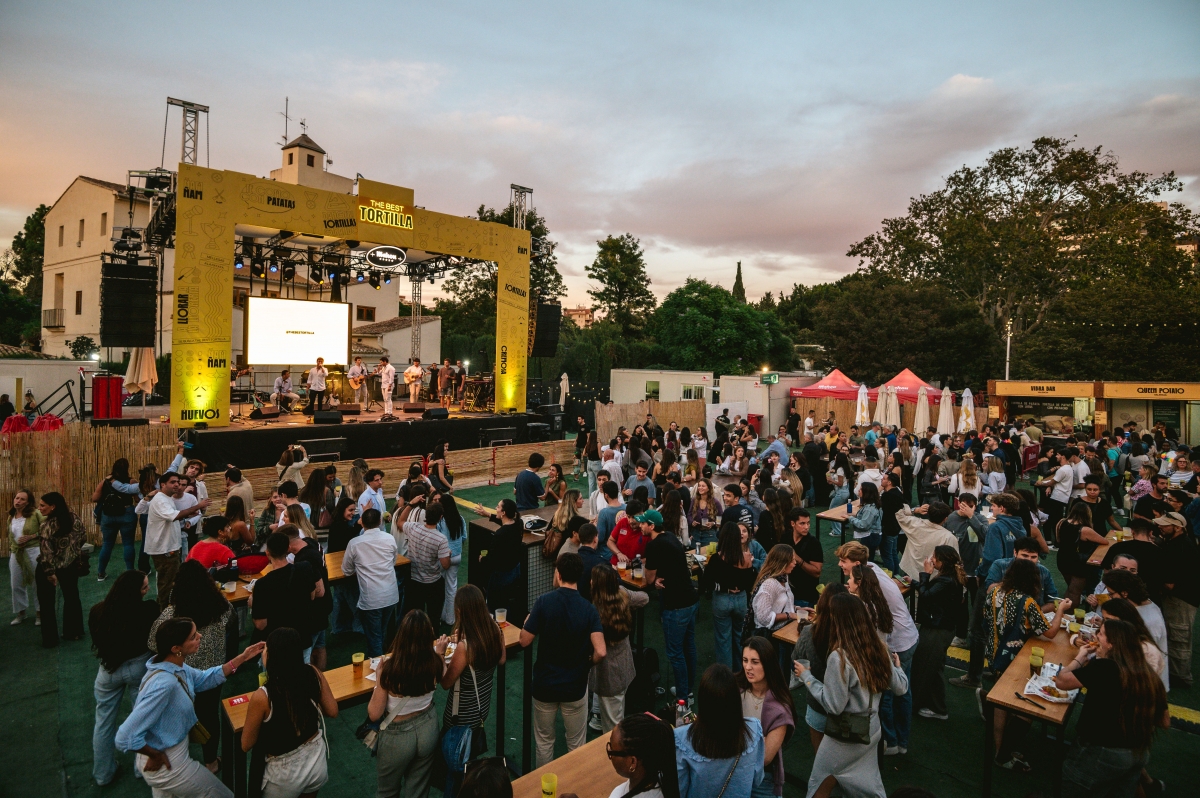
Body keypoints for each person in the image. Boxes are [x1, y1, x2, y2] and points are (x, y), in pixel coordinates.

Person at [115, 618, 264, 798]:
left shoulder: (173, 666)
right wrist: (154, 755)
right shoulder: (164, 685)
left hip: (167, 755)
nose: (200, 636)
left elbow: (205, 678)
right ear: (176, 648)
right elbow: (125, 736)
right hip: (168, 761)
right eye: (193, 637)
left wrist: (243, 657)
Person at [795, 592, 908, 798]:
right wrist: (898, 668)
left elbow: (834, 705)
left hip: (845, 737)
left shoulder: (839, 658)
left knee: (819, 784)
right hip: (872, 730)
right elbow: (901, 688)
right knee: (869, 787)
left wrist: (807, 677)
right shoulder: (879, 647)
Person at [1053, 619, 1169, 798]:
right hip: (1138, 752)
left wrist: (1080, 658)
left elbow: (1061, 680)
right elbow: (1164, 722)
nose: (1096, 636)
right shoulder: (1148, 673)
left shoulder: (1105, 668)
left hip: (1101, 752)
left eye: (1100, 634)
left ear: (1112, 643)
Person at [983, 558, 1072, 771]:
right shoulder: (1027, 601)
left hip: (995, 654)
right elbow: (1050, 632)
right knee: (1025, 707)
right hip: (1015, 660)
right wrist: (1060, 609)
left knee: (1001, 704)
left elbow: (987, 619)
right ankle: (1005, 752)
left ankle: (998, 748)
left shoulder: (994, 593)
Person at [519, 552, 606, 767]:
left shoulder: (543, 602)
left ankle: (543, 784)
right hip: (575, 686)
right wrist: (588, 662)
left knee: (544, 742)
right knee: (576, 745)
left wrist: (528, 621)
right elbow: (601, 651)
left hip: (545, 685)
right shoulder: (589, 609)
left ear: (558, 574)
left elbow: (524, 640)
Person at [146, 559, 233, 774]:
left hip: (181, 675)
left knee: (177, 716)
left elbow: (153, 644)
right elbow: (232, 635)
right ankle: (211, 762)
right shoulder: (223, 608)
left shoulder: (171, 616)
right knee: (210, 716)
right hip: (213, 672)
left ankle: (178, 759)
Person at [240, 627, 337, 798]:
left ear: (272, 657)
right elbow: (332, 710)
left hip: (284, 775)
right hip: (315, 759)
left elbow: (246, 744)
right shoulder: (313, 672)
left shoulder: (262, 696)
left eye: (266, 649)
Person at [90, 570, 160, 786]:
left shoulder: (98, 611)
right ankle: (141, 768)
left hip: (109, 669)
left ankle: (103, 774)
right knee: (142, 717)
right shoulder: (149, 610)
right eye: (144, 587)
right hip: (139, 667)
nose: (148, 589)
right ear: (134, 591)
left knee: (103, 721)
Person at [368, 610, 447, 797]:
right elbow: (443, 675)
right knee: (418, 791)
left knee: (388, 792)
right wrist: (440, 652)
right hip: (428, 728)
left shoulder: (390, 669)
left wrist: (379, 680)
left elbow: (374, 713)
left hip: (397, 736)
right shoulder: (435, 662)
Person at [675, 664, 764, 798]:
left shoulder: (681, 738)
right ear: (735, 699)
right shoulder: (754, 729)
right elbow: (756, 779)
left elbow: (679, 790)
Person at [645, 508, 701, 703]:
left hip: (675, 605)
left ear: (651, 526)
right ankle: (688, 690)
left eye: (643, 523)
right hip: (691, 599)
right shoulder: (670, 537)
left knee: (675, 653)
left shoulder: (653, 546)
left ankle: (683, 697)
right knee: (688, 647)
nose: (640, 526)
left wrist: (654, 580)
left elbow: (648, 578)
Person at [590, 565, 650, 732]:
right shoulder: (622, 594)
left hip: (607, 675)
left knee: (613, 727)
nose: (590, 581)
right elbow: (644, 598)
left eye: (593, 579)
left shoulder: (595, 610)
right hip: (624, 666)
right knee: (617, 711)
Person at [789, 583, 848, 752]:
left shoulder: (809, 632)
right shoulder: (853, 636)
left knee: (820, 758)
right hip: (846, 709)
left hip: (817, 707)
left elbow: (796, 660)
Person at [911, 546, 967, 721]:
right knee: (934, 667)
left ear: (942, 561)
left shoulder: (946, 580)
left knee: (924, 668)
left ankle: (933, 708)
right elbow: (931, 591)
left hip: (937, 630)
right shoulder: (950, 578)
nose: (931, 559)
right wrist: (913, 582)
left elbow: (926, 595)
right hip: (942, 628)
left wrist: (925, 574)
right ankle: (936, 705)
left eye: (934, 557)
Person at [738, 638, 795, 798]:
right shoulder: (735, 689)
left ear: (768, 664)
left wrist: (735, 738)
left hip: (763, 781)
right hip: (733, 773)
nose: (748, 667)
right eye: (745, 660)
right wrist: (758, 741)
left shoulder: (780, 709)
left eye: (755, 662)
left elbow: (765, 758)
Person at [341, 508, 399, 657]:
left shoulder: (355, 543)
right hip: (391, 594)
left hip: (371, 599)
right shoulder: (389, 538)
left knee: (374, 637)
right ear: (380, 521)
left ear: (362, 523)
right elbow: (393, 561)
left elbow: (346, 570)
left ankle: (378, 666)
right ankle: (383, 662)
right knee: (380, 632)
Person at [578, 714, 679, 798]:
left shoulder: (618, 794)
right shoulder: (667, 780)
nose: (610, 754)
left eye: (612, 751)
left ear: (632, 762)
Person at [35, 491, 87, 647]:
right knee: (72, 597)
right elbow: (83, 537)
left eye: (42, 505)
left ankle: (50, 639)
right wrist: (70, 553)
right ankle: (73, 632)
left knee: (47, 603)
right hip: (69, 565)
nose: (39, 508)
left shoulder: (46, 526)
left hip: (48, 568)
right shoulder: (74, 518)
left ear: (53, 507)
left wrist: (50, 572)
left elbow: (46, 552)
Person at [702, 523, 754, 671]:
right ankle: (740, 673)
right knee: (739, 638)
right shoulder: (746, 558)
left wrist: (724, 588)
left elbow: (707, 583)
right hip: (741, 600)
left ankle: (725, 676)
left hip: (722, 600)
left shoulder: (716, 559)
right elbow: (750, 582)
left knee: (723, 640)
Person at [1157, 510, 1199, 688]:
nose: (1160, 527)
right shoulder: (1180, 542)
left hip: (1180, 600)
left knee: (1178, 637)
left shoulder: (1178, 548)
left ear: (1178, 527)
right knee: (1176, 635)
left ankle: (1181, 677)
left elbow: (1169, 584)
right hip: (1182, 597)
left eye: (1164, 525)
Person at [402, 499, 452, 626]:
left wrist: (410, 504)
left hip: (414, 581)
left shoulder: (413, 528)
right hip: (433, 583)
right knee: (433, 618)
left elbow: (400, 521)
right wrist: (448, 555)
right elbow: (446, 565)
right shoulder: (441, 539)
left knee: (416, 619)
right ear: (440, 517)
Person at [92, 457, 141, 580]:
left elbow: (95, 498)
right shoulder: (131, 481)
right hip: (126, 513)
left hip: (108, 515)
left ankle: (101, 573)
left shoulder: (105, 482)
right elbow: (137, 499)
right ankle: (130, 571)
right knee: (128, 543)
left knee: (107, 544)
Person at [1055, 500, 1107, 606]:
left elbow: (1058, 540)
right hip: (1077, 562)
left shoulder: (1061, 522)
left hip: (1062, 558)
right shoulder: (1084, 530)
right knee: (1075, 592)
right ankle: (1070, 612)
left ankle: (1064, 610)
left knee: (1070, 588)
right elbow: (1104, 541)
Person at [895, 501, 959, 579]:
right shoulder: (949, 537)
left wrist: (916, 510)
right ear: (945, 519)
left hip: (911, 572)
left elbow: (899, 513)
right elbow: (954, 561)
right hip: (932, 577)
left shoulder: (915, 524)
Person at [8, 488, 41, 626]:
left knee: (37, 582)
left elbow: (47, 527)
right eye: (17, 498)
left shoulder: (35, 514)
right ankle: (21, 613)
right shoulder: (11, 516)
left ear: (28, 502)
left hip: (33, 551)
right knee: (16, 583)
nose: (18, 501)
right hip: (16, 552)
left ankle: (40, 613)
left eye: (22, 499)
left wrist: (32, 536)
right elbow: (11, 535)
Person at [787, 507, 824, 607]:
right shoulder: (786, 537)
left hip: (806, 596)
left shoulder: (813, 543)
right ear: (793, 523)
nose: (806, 527)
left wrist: (798, 559)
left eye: (808, 523)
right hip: (788, 593)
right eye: (802, 523)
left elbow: (817, 572)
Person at [845, 482, 882, 564]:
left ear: (866, 492)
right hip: (873, 536)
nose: (859, 490)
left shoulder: (869, 508)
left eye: (861, 489)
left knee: (865, 561)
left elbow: (863, 525)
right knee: (869, 560)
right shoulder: (873, 505)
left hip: (869, 537)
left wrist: (850, 518)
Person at [878, 472, 905, 571]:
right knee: (893, 553)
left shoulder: (887, 496)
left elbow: (882, 511)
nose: (882, 480)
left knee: (887, 555)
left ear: (889, 482)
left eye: (884, 479)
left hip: (888, 528)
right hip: (895, 527)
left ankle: (890, 575)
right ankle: (896, 574)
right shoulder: (897, 492)